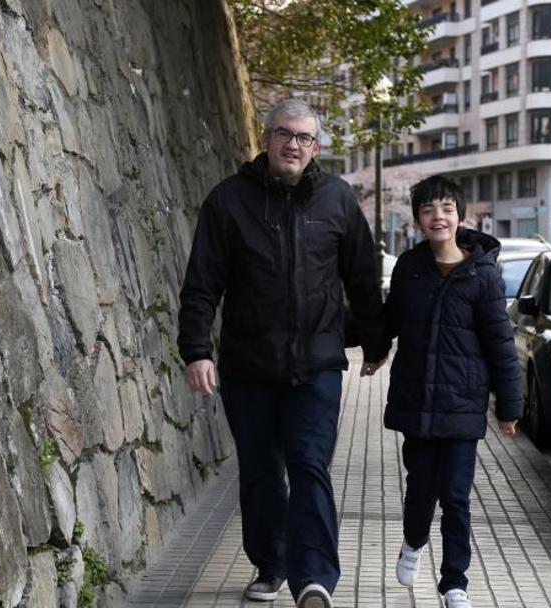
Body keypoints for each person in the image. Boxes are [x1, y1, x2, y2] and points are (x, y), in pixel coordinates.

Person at [177, 99, 389, 608]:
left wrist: (376, 342)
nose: (294, 145)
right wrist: (197, 350)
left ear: (316, 148)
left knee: (310, 463)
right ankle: (270, 564)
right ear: (266, 138)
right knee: (260, 469)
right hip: (248, 366)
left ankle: (313, 577)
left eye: (305, 138)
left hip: (316, 364)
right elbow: (202, 283)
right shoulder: (228, 201)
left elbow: (362, 277)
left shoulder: (337, 200)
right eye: (285, 134)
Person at [379, 175, 522, 608]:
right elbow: (389, 321)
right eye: (428, 210)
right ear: (419, 220)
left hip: (462, 403)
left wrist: (509, 405)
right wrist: (371, 348)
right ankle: (413, 541)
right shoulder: (409, 268)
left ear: (460, 216)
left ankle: (454, 582)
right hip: (417, 401)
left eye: (445, 208)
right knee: (421, 487)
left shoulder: (482, 276)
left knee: (457, 496)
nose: (437, 217)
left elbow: (501, 344)